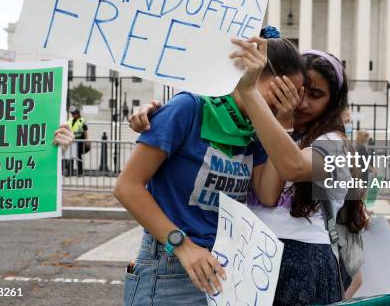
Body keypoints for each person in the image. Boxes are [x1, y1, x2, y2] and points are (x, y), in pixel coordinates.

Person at [130, 47, 368, 304]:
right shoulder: (256, 129)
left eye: (316, 95)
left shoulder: (334, 143)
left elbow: (292, 166)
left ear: (332, 103)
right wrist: (158, 114)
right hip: (247, 259)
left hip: (301, 261)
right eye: (296, 91)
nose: (302, 102)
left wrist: (276, 115)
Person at [114, 33, 304, 306]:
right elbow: (126, 187)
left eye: (294, 96)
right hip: (173, 264)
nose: (289, 102)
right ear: (251, 73)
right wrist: (182, 245)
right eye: (283, 92)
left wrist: (283, 122)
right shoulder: (188, 108)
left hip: (223, 265)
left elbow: (267, 194)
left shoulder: (256, 131)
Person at [67, 108, 88, 176]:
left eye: (74, 113)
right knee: (70, 156)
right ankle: (69, 172)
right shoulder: (70, 120)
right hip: (71, 140)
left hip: (79, 140)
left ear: (78, 114)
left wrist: (86, 141)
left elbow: (85, 131)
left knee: (78, 156)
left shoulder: (82, 121)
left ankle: (80, 172)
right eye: (72, 113)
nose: (72, 115)